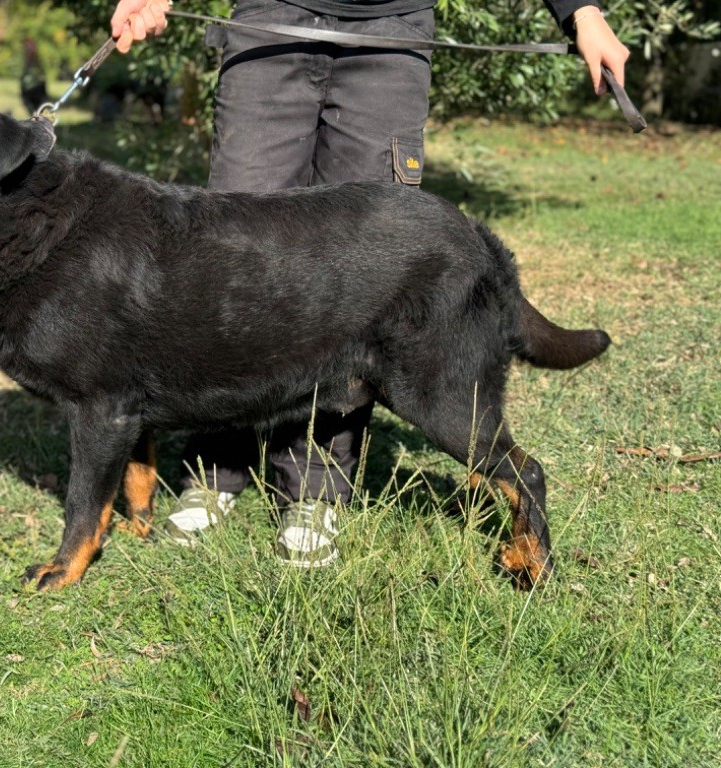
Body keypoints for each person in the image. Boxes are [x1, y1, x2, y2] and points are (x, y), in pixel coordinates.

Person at [108, 0, 629, 567]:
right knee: (235, 260)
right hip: (269, 19)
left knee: (361, 278)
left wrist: (581, 12)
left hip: (390, 31)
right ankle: (217, 466)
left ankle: (315, 486)